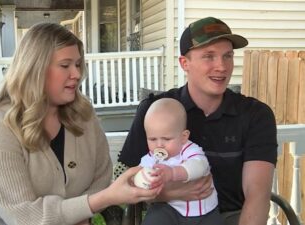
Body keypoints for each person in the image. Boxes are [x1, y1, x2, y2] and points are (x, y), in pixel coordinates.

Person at [0, 22, 162, 225]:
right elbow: (24, 217)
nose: (76, 74)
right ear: (35, 69)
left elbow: (102, 177)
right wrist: (89, 206)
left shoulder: (83, 114)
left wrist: (78, 213)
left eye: (78, 64)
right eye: (65, 65)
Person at [115, 17, 277, 225]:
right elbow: (125, 179)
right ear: (185, 63)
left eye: (227, 56)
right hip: (169, 213)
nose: (222, 66)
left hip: (232, 218)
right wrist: (172, 192)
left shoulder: (255, 115)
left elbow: (257, 196)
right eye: (209, 56)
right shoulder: (157, 110)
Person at [135, 98, 224, 225]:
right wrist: (139, 178)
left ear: (183, 137)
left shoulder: (189, 149)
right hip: (169, 207)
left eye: (166, 139)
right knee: (154, 218)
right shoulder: (152, 157)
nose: (159, 144)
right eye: (153, 139)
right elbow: (138, 172)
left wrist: (173, 173)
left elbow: (199, 166)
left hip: (204, 211)